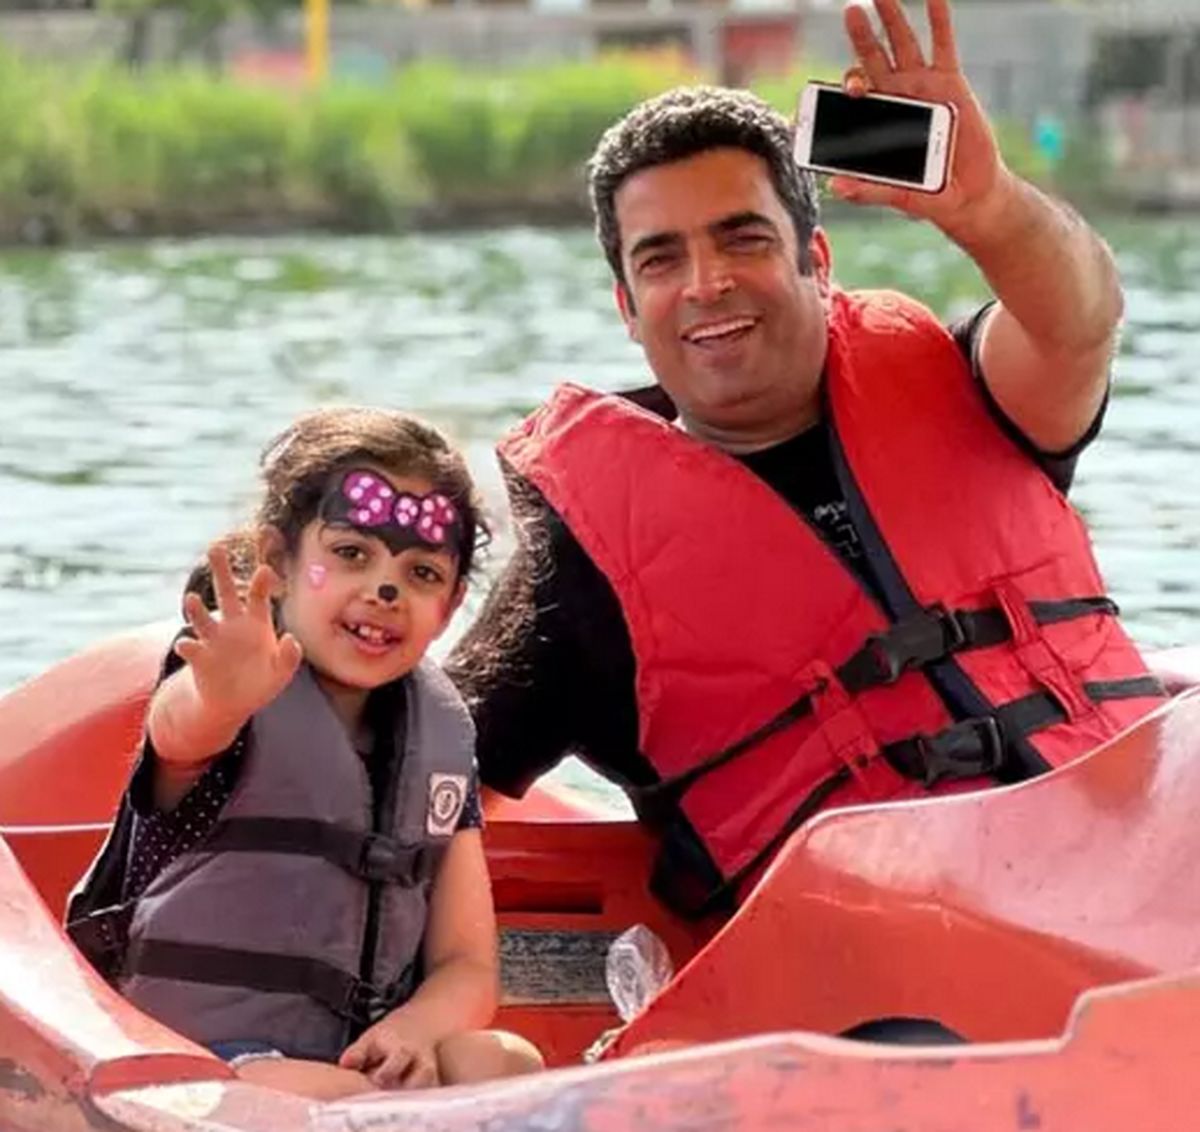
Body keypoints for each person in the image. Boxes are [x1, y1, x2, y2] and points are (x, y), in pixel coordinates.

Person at [448, 0, 1167, 920]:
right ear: (628, 309)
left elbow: (1082, 320)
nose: (707, 283)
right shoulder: (577, 579)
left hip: (1145, 878)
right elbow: (419, 775)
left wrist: (989, 207)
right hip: (888, 962)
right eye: (661, 260)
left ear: (816, 260)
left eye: (742, 238)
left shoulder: (972, 390)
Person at [66, 407, 542, 1099]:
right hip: (196, 1064)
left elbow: (466, 964)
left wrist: (415, 1029)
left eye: (421, 573)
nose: (384, 591)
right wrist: (221, 697)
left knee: (503, 1062)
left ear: (452, 605)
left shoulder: (440, 739)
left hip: (353, 1064)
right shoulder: (224, 697)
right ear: (279, 563)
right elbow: (178, 735)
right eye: (351, 554)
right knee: (345, 1102)